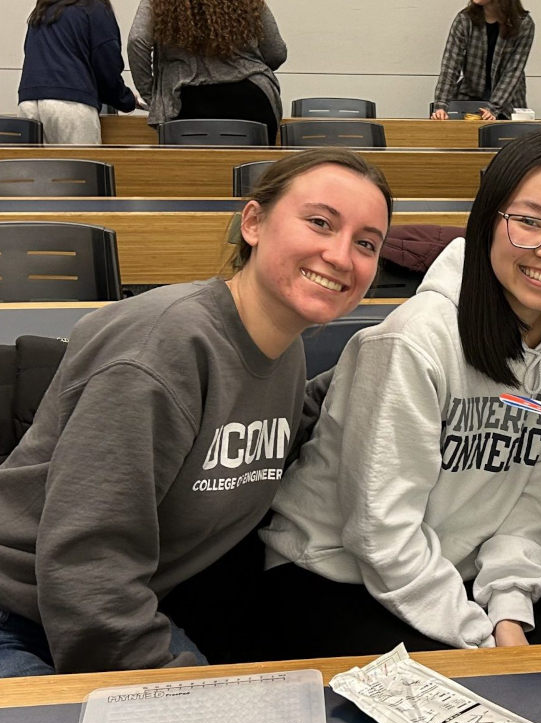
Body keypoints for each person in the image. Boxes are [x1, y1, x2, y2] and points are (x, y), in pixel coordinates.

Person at [0, 147, 393, 677]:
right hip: (24, 612)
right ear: (253, 222)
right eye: (320, 223)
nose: (342, 256)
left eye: (366, 243)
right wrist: (186, 696)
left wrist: (387, 361)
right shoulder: (161, 347)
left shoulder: (283, 346)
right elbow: (88, 567)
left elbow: (276, 425)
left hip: (115, 607)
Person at [259, 131, 541, 655]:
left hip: (457, 588)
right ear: (488, 221)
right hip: (330, 575)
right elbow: (379, 532)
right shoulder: (413, 342)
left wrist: (509, 612)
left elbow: (533, 507)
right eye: (528, 221)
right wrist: (478, 637)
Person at [127, 0, 286, 145]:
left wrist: (152, 95)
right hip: (253, 97)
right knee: (255, 172)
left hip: (183, 100)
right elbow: (276, 53)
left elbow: (137, 40)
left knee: (188, 174)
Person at [18, 0, 139, 145]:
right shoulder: (94, 8)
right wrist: (127, 100)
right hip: (70, 106)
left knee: (29, 167)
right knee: (82, 166)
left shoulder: (43, 8)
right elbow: (106, 67)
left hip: (28, 101)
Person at [431, 0, 534, 121]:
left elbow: (514, 71)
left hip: (508, 102)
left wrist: (494, 108)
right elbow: (450, 66)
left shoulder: (523, 23)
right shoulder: (464, 19)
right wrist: (441, 105)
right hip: (470, 98)